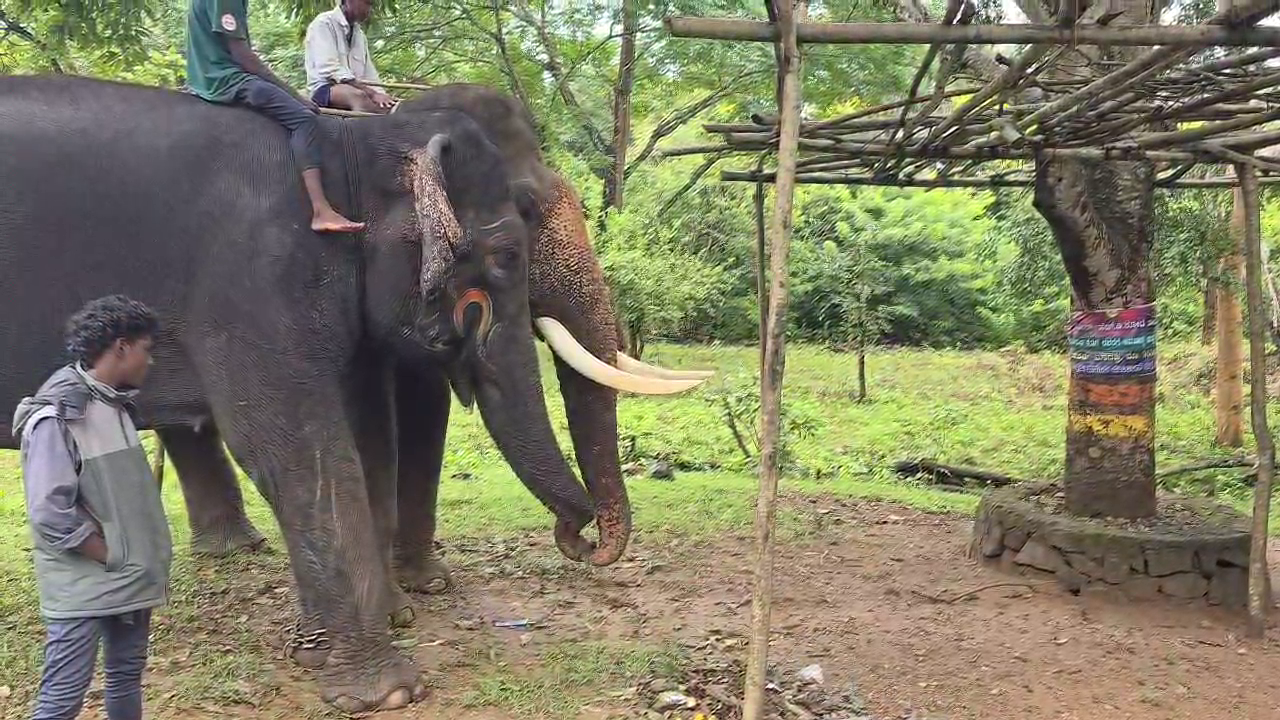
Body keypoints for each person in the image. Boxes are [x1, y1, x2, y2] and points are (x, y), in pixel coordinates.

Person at [12, 295, 173, 720]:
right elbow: (49, 512)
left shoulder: (113, 404)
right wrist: (111, 553)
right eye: (146, 350)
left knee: (125, 677)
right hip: (85, 587)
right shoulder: (56, 416)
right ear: (121, 347)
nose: (149, 362)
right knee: (61, 700)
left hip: (129, 579)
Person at [184, 0, 365, 233]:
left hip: (207, 76)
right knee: (304, 119)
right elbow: (243, 57)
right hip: (227, 79)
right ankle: (321, 210)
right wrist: (296, 96)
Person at [304, 0, 397, 114]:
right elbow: (329, 69)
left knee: (391, 105)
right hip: (324, 90)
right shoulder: (323, 23)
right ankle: (364, 130)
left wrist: (382, 95)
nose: (369, 10)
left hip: (357, 88)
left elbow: (370, 75)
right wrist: (372, 94)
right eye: (367, 3)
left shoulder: (360, 36)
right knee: (358, 96)